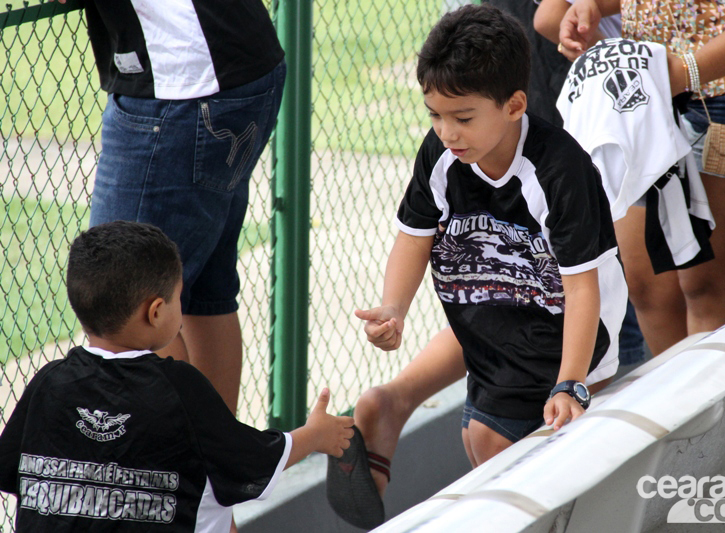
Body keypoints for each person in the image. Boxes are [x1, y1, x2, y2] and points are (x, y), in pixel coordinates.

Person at [327, 4, 628, 528]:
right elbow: (413, 237)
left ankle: (396, 404)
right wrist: (394, 307)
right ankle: (396, 406)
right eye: (435, 116)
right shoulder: (442, 156)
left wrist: (571, 382)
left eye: (462, 117)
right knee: (490, 448)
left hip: (568, 334)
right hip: (489, 318)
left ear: (515, 105)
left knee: (553, 460)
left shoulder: (560, 171)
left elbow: (583, 292)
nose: (446, 132)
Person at [0, 221, 354, 532]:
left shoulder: (48, 383)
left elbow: (8, 468)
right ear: (156, 312)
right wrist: (315, 435)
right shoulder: (181, 388)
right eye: (178, 299)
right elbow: (250, 464)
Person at [55, 0, 287, 415]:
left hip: (183, 82)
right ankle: (217, 467)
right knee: (199, 293)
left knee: (118, 306)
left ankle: (179, 469)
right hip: (237, 66)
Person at [556, 0, 725, 355]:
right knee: (647, 287)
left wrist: (686, 72)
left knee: (709, 290)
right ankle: (686, 409)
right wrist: (593, 5)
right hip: (643, 96)